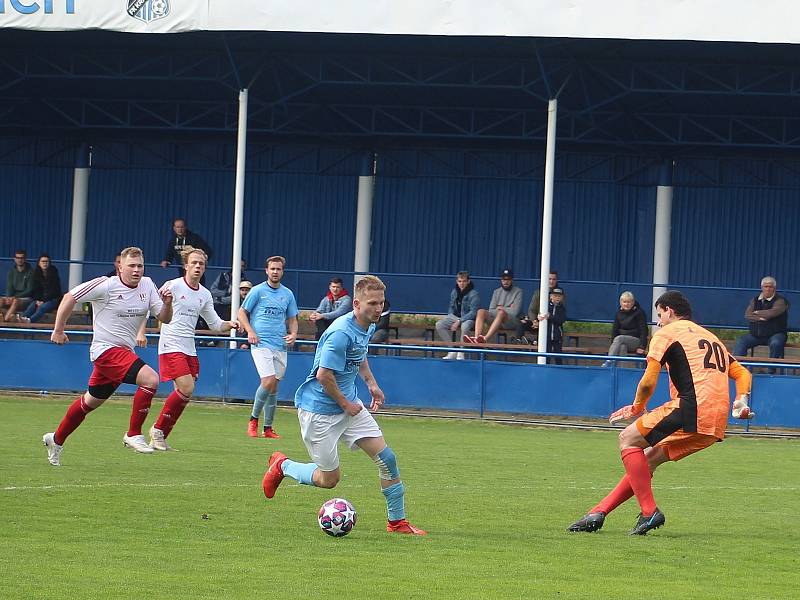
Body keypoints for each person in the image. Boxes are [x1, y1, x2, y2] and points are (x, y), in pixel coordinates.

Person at [567, 290, 753, 536]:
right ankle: (598, 513)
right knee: (646, 460)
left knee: (627, 438)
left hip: (692, 406)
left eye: (659, 315)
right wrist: (741, 399)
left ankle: (649, 511)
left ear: (669, 310)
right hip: (716, 420)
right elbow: (743, 373)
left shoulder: (667, 333)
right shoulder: (711, 337)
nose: (658, 321)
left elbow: (648, 381)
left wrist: (636, 407)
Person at [260, 275, 427, 536]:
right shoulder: (340, 333)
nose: (378, 308)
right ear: (357, 304)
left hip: (350, 405)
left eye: (381, 303)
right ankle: (283, 465)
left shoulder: (368, 325)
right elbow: (323, 375)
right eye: (372, 303)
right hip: (320, 411)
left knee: (387, 460)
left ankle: (397, 522)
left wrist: (371, 384)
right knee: (329, 480)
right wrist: (346, 404)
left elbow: (359, 356)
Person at [42, 247, 174, 467]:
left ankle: (55, 439)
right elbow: (69, 297)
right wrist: (58, 329)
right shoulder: (106, 285)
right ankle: (133, 434)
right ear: (119, 267)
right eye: (131, 265)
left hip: (124, 353)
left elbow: (164, 318)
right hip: (105, 351)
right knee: (151, 379)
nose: (136, 270)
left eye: (140, 265)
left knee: (89, 402)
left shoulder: (148, 285)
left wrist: (168, 304)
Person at [147, 247, 239, 451]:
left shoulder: (205, 294)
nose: (198, 266)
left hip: (189, 347)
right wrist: (139, 331)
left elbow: (214, 324)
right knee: (187, 388)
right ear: (186, 266)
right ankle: (157, 429)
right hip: (171, 343)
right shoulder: (173, 286)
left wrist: (229, 324)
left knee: (184, 395)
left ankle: (160, 437)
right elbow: (155, 309)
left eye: (201, 264)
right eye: (194, 263)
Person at [238, 256, 299, 439]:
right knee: (268, 381)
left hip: (280, 345)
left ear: (282, 271)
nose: (275, 272)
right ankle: (253, 420)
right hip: (260, 343)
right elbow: (242, 312)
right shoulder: (257, 291)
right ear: (266, 270)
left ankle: (268, 428)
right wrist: (250, 331)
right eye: (272, 269)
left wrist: (294, 334)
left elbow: (293, 319)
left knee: (274, 388)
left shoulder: (287, 294)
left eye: (278, 269)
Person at [733, 276, 789, 360]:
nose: (768, 289)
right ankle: (738, 368)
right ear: (762, 287)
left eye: (770, 287)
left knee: (776, 343)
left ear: (774, 288)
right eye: (765, 286)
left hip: (775, 334)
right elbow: (747, 315)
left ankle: (771, 370)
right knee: (741, 341)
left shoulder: (781, 301)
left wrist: (757, 313)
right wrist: (760, 318)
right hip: (756, 335)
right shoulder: (754, 300)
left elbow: (772, 313)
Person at [464, 268, 522, 344]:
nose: (505, 282)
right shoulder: (497, 291)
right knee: (481, 311)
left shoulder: (518, 291)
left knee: (501, 313)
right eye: (503, 279)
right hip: (496, 320)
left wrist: (501, 308)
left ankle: (485, 338)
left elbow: (515, 312)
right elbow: (491, 309)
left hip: (510, 321)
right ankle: (477, 338)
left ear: (512, 280)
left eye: (508, 279)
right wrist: (508, 308)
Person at [435, 271, 480, 360]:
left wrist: (459, 321)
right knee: (439, 324)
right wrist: (451, 317)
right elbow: (451, 308)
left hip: (468, 318)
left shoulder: (474, 294)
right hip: (455, 317)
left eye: (463, 281)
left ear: (468, 281)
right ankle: (452, 350)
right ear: (457, 281)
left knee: (465, 326)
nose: (461, 283)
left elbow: (473, 312)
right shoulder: (454, 292)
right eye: (459, 281)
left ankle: (461, 352)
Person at [513, 271, 566, 343]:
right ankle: (518, 341)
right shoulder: (539, 292)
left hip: (550, 323)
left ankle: (535, 342)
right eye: (549, 279)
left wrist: (544, 320)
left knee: (546, 327)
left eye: (554, 279)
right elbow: (532, 310)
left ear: (556, 280)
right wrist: (534, 321)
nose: (551, 281)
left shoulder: (560, 294)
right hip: (537, 320)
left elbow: (560, 312)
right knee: (522, 323)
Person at [603, 291, 649, 366]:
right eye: (624, 302)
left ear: (633, 302)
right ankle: (622, 371)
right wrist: (614, 345)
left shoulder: (639, 313)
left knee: (619, 338)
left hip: (636, 341)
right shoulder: (618, 313)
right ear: (621, 302)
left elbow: (644, 330)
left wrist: (642, 346)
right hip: (621, 341)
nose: (626, 304)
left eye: (629, 302)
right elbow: (614, 330)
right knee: (622, 347)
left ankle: (609, 360)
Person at [18, 254, 63, 324]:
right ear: (39, 263)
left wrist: (43, 301)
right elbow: (36, 290)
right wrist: (38, 300)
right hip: (41, 299)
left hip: (53, 300)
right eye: (43, 261)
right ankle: (23, 318)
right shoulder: (36, 273)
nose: (45, 263)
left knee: (42, 307)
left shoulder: (54, 273)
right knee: (33, 305)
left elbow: (55, 291)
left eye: (46, 261)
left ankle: (30, 321)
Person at [1, 250, 35, 322]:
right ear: (14, 259)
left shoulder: (31, 272)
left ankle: (5, 321)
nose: (20, 260)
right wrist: (8, 297)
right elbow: (9, 287)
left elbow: (29, 290)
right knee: (1, 299)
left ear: (25, 259)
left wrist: (15, 297)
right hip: (14, 297)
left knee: (16, 301)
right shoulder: (12, 271)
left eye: (22, 258)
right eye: (18, 258)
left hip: (27, 298)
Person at [539, 287, 567, 364]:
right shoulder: (545, 306)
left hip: (557, 336)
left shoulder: (562, 308)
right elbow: (541, 316)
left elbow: (562, 320)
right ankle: (545, 369)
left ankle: (559, 370)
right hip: (546, 336)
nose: (557, 298)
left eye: (559, 296)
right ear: (550, 296)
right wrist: (539, 318)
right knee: (546, 356)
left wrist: (550, 317)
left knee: (558, 355)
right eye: (555, 295)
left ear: (562, 297)